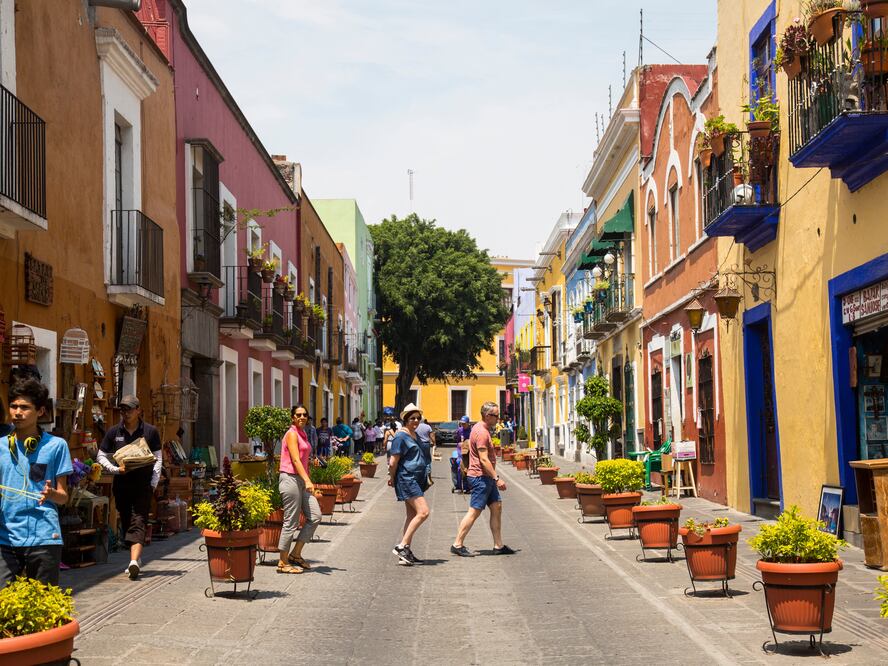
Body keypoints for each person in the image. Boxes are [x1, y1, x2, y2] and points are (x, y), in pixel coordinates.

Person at [0, 379, 73, 585]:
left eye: (25, 407)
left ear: (40, 411)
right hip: (5, 537)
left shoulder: (56, 446)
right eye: (14, 406)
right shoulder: (1, 447)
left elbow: (63, 497)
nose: (17, 412)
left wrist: (51, 494)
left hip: (44, 537)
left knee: (43, 606)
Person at [97, 394, 163, 579]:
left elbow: (158, 458)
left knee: (139, 520)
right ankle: (136, 557)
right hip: (122, 485)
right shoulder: (113, 432)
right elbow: (101, 455)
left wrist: (153, 482)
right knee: (127, 520)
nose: (125, 413)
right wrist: (115, 469)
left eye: (129, 409)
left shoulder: (150, 432)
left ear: (138, 410)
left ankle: (133, 562)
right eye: (122, 409)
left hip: (143, 485)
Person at [451, 402, 514, 557]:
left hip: (486, 478)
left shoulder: (481, 429)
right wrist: (497, 478)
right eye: (496, 416)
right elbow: (484, 459)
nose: (498, 419)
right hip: (480, 477)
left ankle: (498, 545)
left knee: (496, 507)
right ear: (487, 416)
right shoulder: (482, 432)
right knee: (474, 511)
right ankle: (457, 544)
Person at [276, 405, 321, 574]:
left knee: (315, 516)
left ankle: (296, 554)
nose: (302, 417)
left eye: (305, 415)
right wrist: (308, 480)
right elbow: (294, 460)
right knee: (291, 522)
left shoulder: (303, 434)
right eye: (298, 415)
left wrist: (310, 463)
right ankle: (282, 562)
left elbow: (301, 459)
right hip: (290, 479)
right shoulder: (292, 434)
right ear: (293, 417)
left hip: (301, 480)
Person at [388, 403, 432, 566]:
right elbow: (393, 461)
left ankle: (405, 552)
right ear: (405, 419)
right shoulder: (401, 436)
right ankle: (401, 547)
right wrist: (392, 477)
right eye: (412, 418)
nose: (415, 420)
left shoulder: (414, 434)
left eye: (418, 418)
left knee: (412, 515)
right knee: (424, 512)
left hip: (417, 478)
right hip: (407, 478)